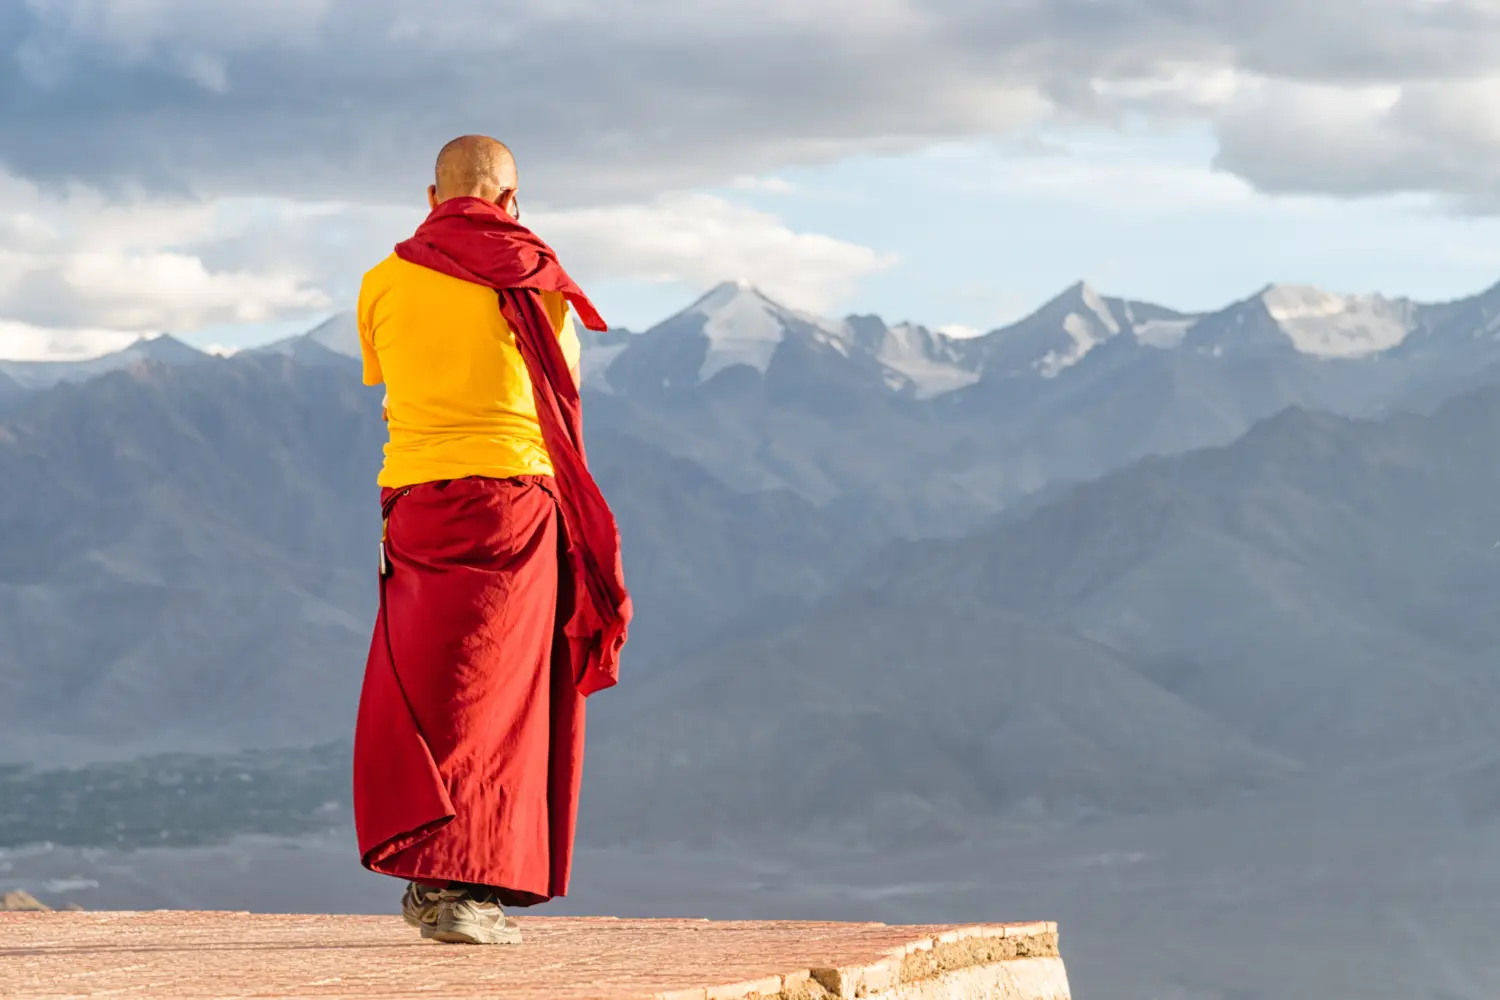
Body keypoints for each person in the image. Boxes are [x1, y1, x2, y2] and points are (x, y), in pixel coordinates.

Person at [350, 135, 631, 945]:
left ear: (431, 198)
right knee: (499, 703)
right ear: (511, 203)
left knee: (431, 692)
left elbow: (395, 380)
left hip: (416, 510)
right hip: (512, 506)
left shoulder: (382, 282)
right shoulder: (535, 277)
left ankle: (430, 873)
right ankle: (461, 890)